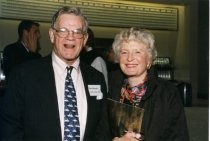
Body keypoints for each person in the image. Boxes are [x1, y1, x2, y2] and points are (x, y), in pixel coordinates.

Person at [0, 6, 107, 141]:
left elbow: (102, 130)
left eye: (77, 32)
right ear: (52, 35)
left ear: (84, 39)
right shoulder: (23, 75)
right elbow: (10, 129)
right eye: (63, 31)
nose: (70, 37)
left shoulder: (96, 78)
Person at [106, 27, 189, 141]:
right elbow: (99, 133)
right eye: (124, 52)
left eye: (137, 52)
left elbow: (179, 137)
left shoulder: (167, 93)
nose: (130, 58)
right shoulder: (109, 89)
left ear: (149, 59)